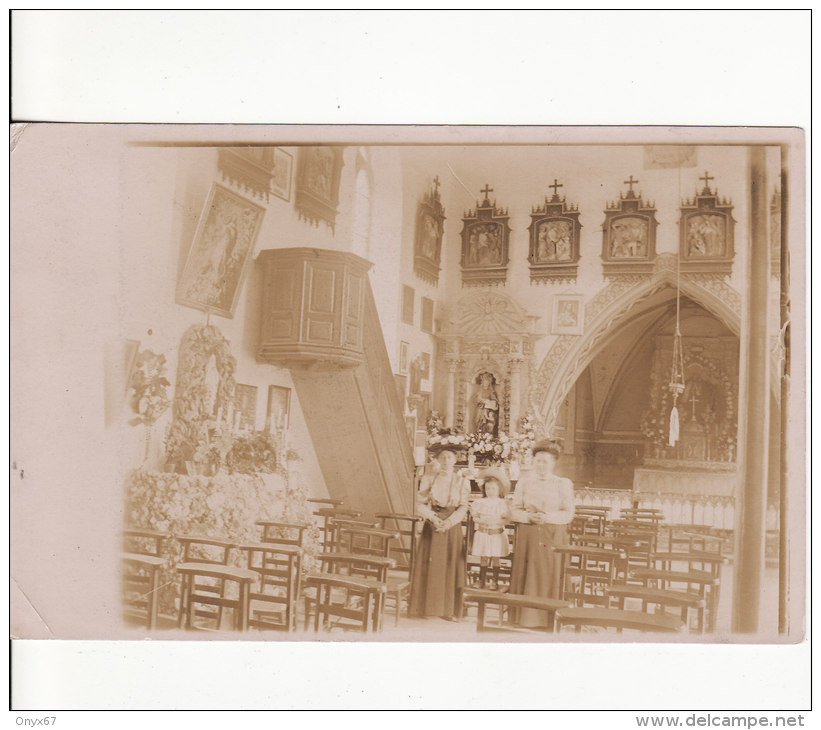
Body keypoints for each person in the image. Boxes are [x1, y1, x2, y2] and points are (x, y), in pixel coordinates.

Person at [509, 439, 574, 627]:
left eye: (545, 461)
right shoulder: (524, 483)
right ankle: (523, 617)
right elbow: (514, 510)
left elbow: (568, 513)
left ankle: (549, 618)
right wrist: (528, 517)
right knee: (528, 573)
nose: (541, 465)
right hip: (529, 535)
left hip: (552, 535)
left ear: (554, 463)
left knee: (549, 574)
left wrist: (547, 517)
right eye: (538, 460)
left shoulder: (562, 484)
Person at [409, 444, 470, 621]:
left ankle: (449, 610)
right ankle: (426, 608)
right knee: (432, 565)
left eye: (450, 458)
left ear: (456, 460)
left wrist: (450, 522)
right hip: (433, 524)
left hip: (452, 527)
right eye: (442, 457)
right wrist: (433, 518)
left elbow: (463, 506)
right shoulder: (429, 479)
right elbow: (419, 503)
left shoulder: (461, 481)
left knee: (450, 565)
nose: (446, 461)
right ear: (437, 459)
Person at [469, 467, 511, 590]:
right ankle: (481, 580)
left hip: (496, 534)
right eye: (488, 488)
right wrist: (480, 520)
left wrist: (497, 521)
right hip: (483, 533)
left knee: (496, 557)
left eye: (493, 488)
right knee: (484, 557)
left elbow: (507, 519)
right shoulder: (480, 503)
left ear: (499, 489)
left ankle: (495, 581)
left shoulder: (502, 504)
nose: (490, 491)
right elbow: (475, 517)